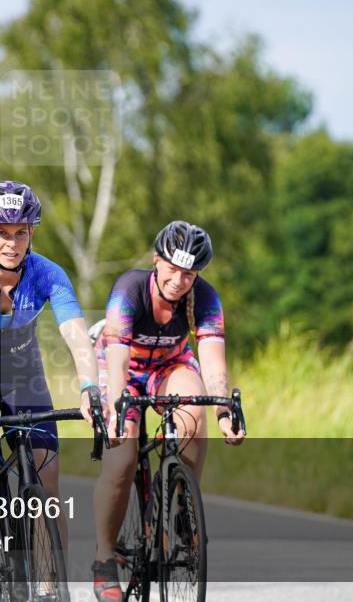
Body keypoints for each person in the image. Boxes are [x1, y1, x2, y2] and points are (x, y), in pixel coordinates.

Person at [0, 180, 106, 569]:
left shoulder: (48, 274)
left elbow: (78, 338)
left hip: (21, 368)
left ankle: (53, 581)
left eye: (21, 233)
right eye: (1, 233)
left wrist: (91, 388)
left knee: (48, 479)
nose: (12, 243)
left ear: (31, 234)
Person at [89, 221, 245, 601]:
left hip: (170, 365)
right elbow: (118, 359)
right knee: (122, 460)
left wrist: (224, 409)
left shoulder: (205, 298)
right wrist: (113, 408)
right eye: (173, 269)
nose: (179, 280)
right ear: (157, 261)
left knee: (194, 411)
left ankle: (182, 507)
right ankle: (105, 558)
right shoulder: (129, 290)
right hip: (121, 364)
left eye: (188, 274)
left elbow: (212, 363)